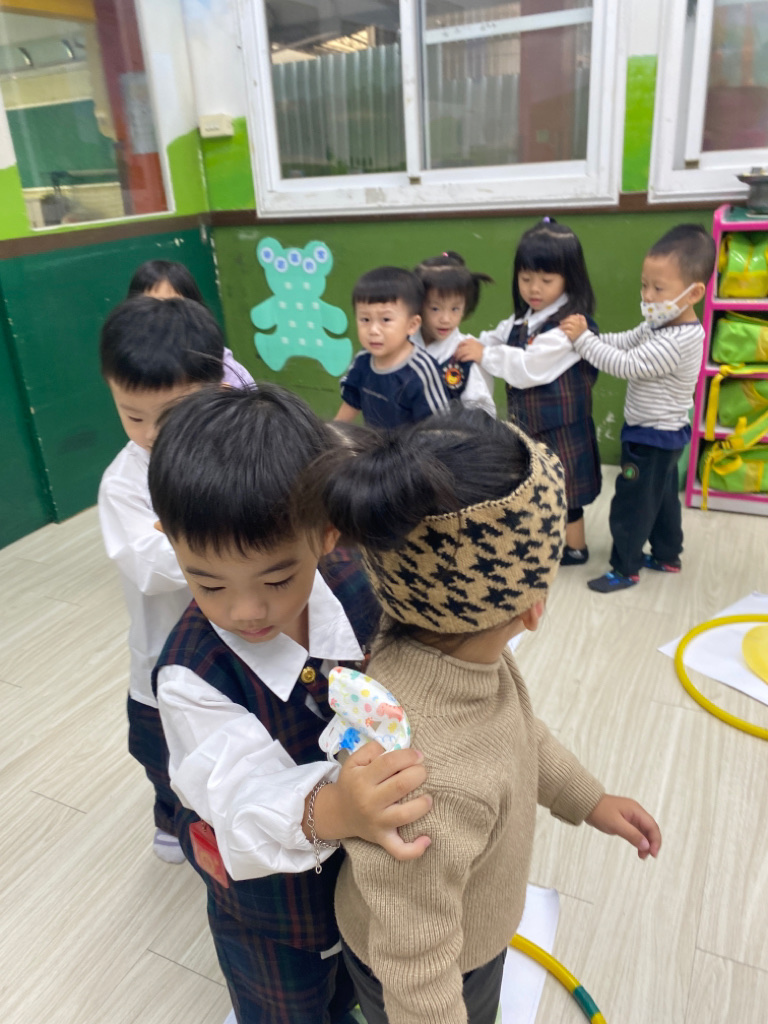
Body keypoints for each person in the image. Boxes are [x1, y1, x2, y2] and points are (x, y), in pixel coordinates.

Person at [300, 407, 661, 1024]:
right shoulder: (431, 783)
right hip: (434, 973)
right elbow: (415, 959)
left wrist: (590, 799)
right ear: (533, 607)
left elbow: (519, 736)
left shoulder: (449, 646)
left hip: (465, 931)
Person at [147, 385, 433, 1024]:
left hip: (362, 887)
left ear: (327, 535)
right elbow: (237, 801)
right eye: (207, 582)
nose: (245, 610)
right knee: (285, 1009)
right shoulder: (194, 674)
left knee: (353, 981)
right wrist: (338, 808)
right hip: (270, 917)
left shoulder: (361, 584)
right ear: (170, 541)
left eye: (278, 578)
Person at [98, 296, 234, 863]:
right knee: (162, 750)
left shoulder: (234, 451)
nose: (152, 432)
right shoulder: (124, 482)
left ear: (217, 388)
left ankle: (227, 813)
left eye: (172, 414)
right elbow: (148, 564)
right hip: (162, 650)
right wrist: (227, 534)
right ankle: (170, 817)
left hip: (233, 636)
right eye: (133, 416)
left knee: (225, 738)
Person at [560, 223, 716, 594]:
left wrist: (583, 342)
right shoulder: (660, 325)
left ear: (694, 292)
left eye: (658, 289)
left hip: (650, 439)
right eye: (644, 285)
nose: (647, 296)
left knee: (631, 504)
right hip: (664, 436)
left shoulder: (678, 340)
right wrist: (592, 338)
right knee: (661, 500)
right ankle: (667, 555)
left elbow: (625, 364)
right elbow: (626, 341)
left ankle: (625, 567)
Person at [455, 218, 600, 566]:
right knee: (539, 486)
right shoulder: (523, 319)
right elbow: (495, 337)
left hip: (563, 428)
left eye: (546, 281)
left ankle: (575, 548)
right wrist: (468, 343)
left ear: (569, 278)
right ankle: (543, 538)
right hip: (533, 426)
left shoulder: (568, 326)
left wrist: (484, 354)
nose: (534, 288)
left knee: (567, 493)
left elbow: (528, 368)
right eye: (525, 279)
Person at [336, 266, 449, 427]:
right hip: (375, 442)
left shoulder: (421, 371)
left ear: (412, 325)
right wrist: (328, 437)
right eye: (365, 319)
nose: (373, 330)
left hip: (417, 443)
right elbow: (351, 402)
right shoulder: (363, 359)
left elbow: (440, 429)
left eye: (386, 320)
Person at [127, 258, 254, 388]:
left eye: (174, 306)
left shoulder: (223, 367)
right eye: (151, 307)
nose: (162, 317)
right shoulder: (127, 363)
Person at [411, 251, 496, 417]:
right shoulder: (401, 346)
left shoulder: (465, 354)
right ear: (417, 304)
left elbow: (482, 415)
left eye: (455, 309)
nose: (446, 319)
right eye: (435, 308)